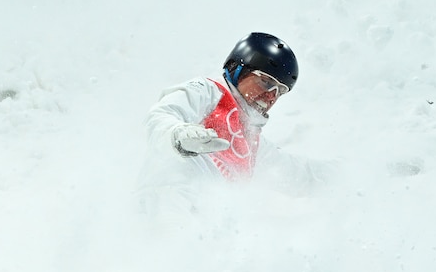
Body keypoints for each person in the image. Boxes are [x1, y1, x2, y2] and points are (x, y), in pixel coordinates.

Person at [137, 32, 330, 216]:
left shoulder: (252, 143)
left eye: (280, 90)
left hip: (205, 230)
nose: (272, 95)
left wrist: (350, 175)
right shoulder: (208, 92)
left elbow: (298, 175)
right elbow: (161, 115)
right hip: (168, 202)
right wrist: (178, 134)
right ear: (238, 69)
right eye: (266, 82)